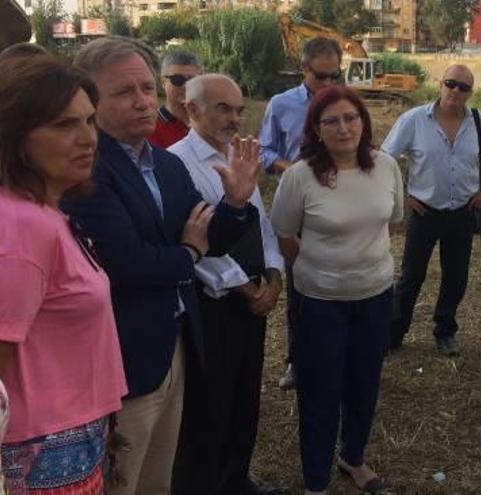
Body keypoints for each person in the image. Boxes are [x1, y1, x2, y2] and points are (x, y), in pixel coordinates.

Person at [63, 36, 259, 495]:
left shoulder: (165, 167)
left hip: (176, 342)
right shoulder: (86, 172)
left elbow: (209, 239)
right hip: (125, 355)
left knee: (158, 477)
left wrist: (234, 204)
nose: (143, 102)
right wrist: (186, 254)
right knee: (123, 481)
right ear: (90, 103)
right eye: (124, 93)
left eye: (147, 89)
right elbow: (128, 265)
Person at [0, 56, 127, 494]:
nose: (88, 138)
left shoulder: (44, 212)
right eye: (62, 125)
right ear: (16, 138)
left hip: (70, 436)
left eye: (90, 121)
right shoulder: (22, 226)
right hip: (41, 453)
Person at [270, 86, 403, 495]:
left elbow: (393, 221)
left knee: (365, 381)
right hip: (320, 302)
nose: (344, 128)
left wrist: (363, 259)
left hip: (376, 296)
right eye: (332, 120)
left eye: (352, 118)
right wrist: (319, 267)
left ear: (364, 122)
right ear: (316, 129)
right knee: (320, 390)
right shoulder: (300, 176)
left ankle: (353, 456)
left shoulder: (385, 166)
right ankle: (315, 478)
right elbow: (284, 234)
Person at [169, 74, 283, 495]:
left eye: (238, 109)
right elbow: (195, 243)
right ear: (191, 109)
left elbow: (261, 225)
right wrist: (243, 288)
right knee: (208, 405)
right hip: (212, 303)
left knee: (244, 397)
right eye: (223, 109)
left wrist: (273, 276)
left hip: (253, 298)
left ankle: (235, 479)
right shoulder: (176, 162)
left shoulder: (239, 155)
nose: (235, 118)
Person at [381, 64, 481, 356]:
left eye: (463, 87)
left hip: (462, 213)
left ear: (470, 93)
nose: (456, 91)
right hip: (424, 212)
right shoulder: (413, 120)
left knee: (456, 276)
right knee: (411, 275)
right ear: (440, 84)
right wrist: (401, 198)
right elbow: (383, 160)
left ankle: (445, 331)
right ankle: (394, 333)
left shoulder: (479, 121)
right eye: (451, 83)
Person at [259, 37, 343, 390]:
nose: (327, 85)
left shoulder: (344, 104)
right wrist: (292, 169)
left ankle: (338, 356)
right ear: (304, 68)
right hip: (298, 212)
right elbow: (265, 153)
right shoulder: (280, 105)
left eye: (334, 76)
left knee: (338, 286)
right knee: (300, 287)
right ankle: (297, 360)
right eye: (321, 76)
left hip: (338, 209)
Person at [148, 51, 202, 149]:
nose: (186, 86)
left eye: (193, 80)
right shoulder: (150, 128)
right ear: (163, 82)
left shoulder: (210, 122)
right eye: (177, 79)